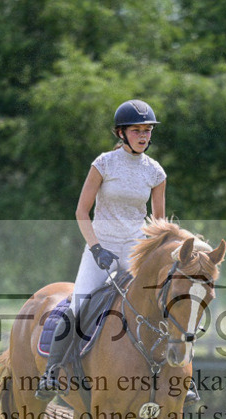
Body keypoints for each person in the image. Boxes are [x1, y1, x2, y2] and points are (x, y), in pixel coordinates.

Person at [36, 99, 167, 400]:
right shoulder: (103, 164)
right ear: (121, 133)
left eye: (147, 130)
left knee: (163, 305)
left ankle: (183, 378)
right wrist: (96, 248)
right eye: (137, 131)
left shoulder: (156, 172)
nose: (144, 136)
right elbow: (82, 211)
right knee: (78, 305)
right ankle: (52, 372)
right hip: (102, 249)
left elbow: (158, 223)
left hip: (135, 251)